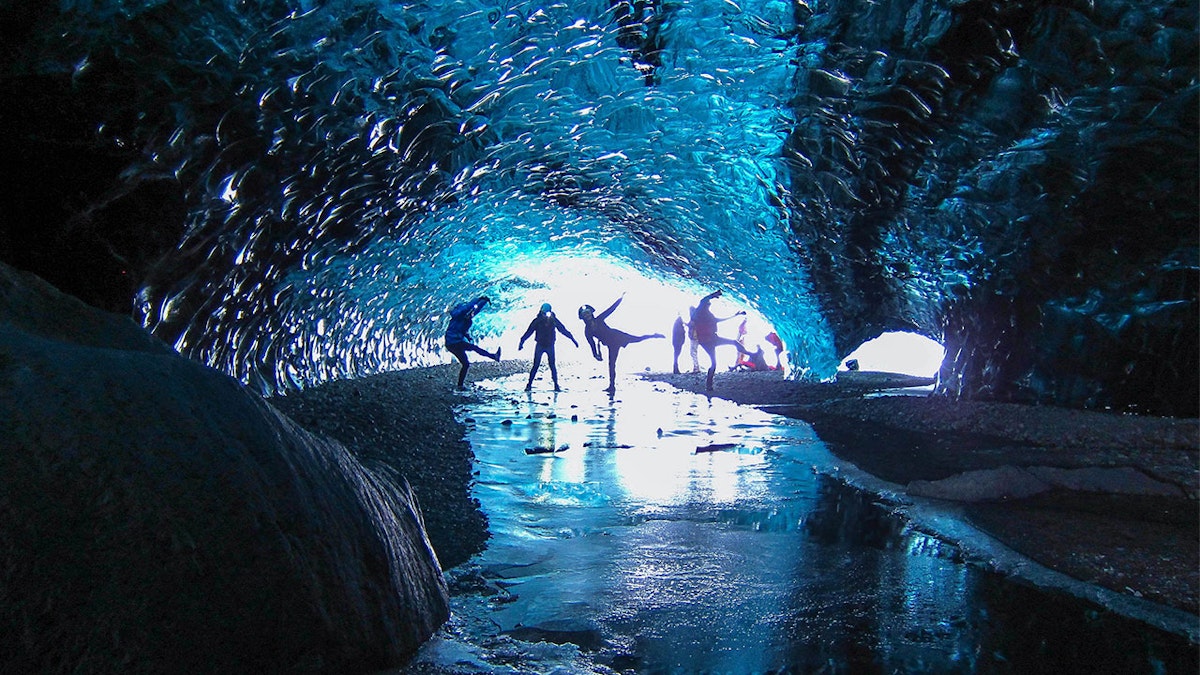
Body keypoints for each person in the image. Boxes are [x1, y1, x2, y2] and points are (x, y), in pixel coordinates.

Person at [579, 295, 664, 393]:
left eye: (588, 313)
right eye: (585, 315)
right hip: (611, 345)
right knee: (611, 364)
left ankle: (654, 335)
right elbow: (592, 344)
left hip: (618, 336)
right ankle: (612, 386)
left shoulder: (599, 319)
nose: (587, 315)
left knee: (638, 339)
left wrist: (620, 299)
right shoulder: (587, 331)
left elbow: (611, 309)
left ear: (592, 313)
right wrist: (595, 355)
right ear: (583, 318)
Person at [691, 289, 751, 391]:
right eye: (708, 304)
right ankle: (709, 385)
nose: (709, 305)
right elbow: (703, 300)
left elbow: (718, 320)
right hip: (708, 341)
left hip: (712, 339)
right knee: (714, 362)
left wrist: (735, 315)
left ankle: (709, 386)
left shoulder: (706, 313)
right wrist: (714, 294)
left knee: (731, 345)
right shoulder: (700, 312)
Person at [444, 296, 501, 390]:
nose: (470, 315)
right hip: (453, 343)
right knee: (474, 348)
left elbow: (463, 330)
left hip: (454, 344)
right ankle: (494, 356)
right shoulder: (457, 317)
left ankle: (460, 385)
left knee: (466, 364)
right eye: (469, 313)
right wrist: (479, 299)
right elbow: (467, 308)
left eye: (471, 314)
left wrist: (467, 336)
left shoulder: (468, 321)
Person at [519, 303, 578, 391]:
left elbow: (563, 329)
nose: (545, 314)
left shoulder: (553, 320)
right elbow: (529, 331)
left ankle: (556, 385)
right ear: (541, 311)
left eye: (547, 311)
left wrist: (573, 339)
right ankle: (529, 384)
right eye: (544, 312)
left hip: (550, 345)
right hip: (540, 345)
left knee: (552, 365)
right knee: (536, 365)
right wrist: (522, 341)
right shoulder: (537, 321)